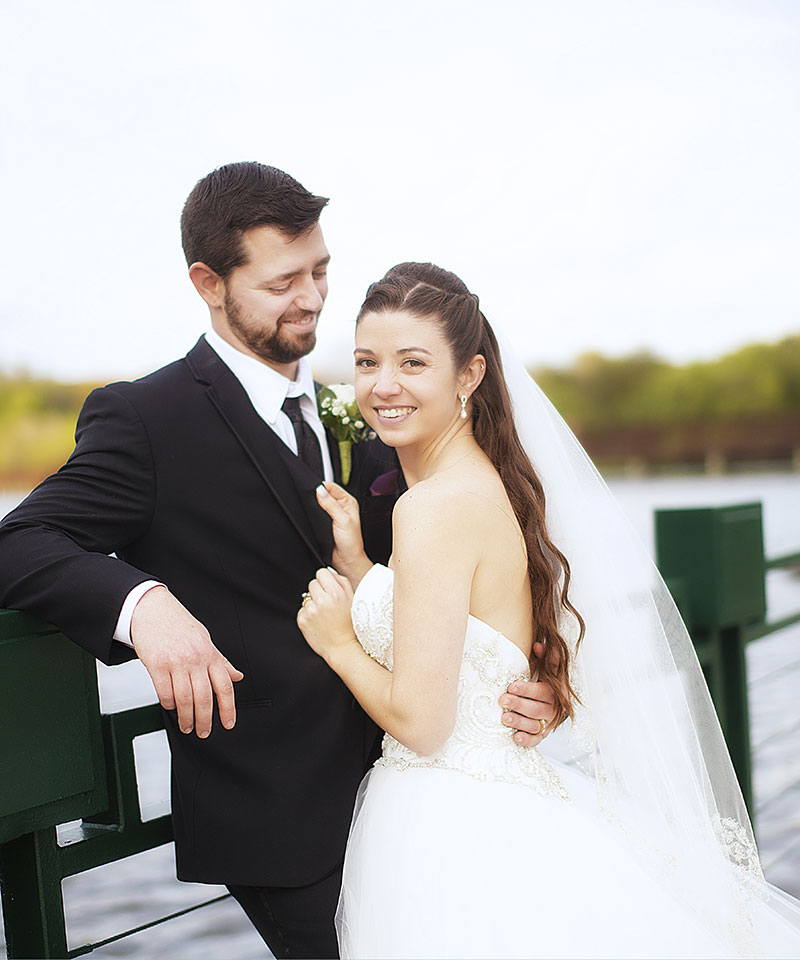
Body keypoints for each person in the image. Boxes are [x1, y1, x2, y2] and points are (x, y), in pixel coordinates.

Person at [0, 165, 556, 959]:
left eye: (322, 271)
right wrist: (145, 605)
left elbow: (449, 582)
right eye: (283, 280)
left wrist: (533, 675)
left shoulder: (364, 409)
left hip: (417, 793)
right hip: (276, 816)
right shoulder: (145, 418)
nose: (313, 298)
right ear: (209, 282)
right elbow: (18, 542)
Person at [297, 262, 800, 959]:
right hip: (499, 796)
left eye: (413, 362)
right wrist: (361, 568)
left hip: (450, 826)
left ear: (468, 375)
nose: (382, 385)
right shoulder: (486, 483)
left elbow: (422, 720)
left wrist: (338, 642)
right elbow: (464, 621)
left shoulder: (431, 507)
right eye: (366, 361)